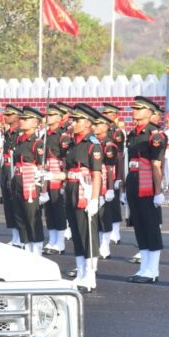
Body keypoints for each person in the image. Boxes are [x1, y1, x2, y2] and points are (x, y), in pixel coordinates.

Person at [124, 96, 167, 283]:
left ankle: (153, 270)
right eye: (134, 108)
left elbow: (157, 165)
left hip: (147, 183)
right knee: (139, 225)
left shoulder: (154, 135)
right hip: (134, 179)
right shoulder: (133, 134)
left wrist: (158, 192)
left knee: (150, 225)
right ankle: (143, 268)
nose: (134, 111)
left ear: (149, 113)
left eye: (139, 109)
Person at [63, 105, 103, 292]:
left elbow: (97, 174)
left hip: (84, 190)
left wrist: (94, 199)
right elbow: (67, 171)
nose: (74, 123)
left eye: (78, 120)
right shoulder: (72, 144)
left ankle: (90, 275)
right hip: (71, 189)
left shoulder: (92, 144)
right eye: (74, 120)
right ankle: (80, 273)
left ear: (87, 123)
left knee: (87, 233)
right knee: (77, 233)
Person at [10, 106, 46, 256]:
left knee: (32, 217)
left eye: (26, 119)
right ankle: (26, 247)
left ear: (36, 123)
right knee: (20, 215)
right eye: (22, 118)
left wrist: (43, 190)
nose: (22, 121)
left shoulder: (37, 143)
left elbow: (41, 166)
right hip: (17, 180)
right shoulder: (19, 140)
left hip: (30, 182)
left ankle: (36, 249)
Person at [42, 104, 71, 254]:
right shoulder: (45, 135)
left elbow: (66, 160)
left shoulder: (63, 136)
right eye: (47, 115)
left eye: (52, 115)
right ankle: (51, 240)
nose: (48, 117)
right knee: (49, 210)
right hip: (46, 176)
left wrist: (63, 182)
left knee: (58, 209)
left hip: (57, 176)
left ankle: (59, 243)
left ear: (60, 118)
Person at [92, 110, 120, 260]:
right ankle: (97, 243)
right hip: (93, 181)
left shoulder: (109, 145)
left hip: (104, 182)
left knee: (105, 216)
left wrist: (109, 188)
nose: (95, 126)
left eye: (98, 124)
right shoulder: (93, 141)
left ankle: (105, 244)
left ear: (106, 126)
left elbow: (110, 168)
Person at [100, 103, 126, 245]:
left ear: (114, 116)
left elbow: (120, 156)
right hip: (104, 169)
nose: (106, 116)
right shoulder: (101, 132)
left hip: (113, 169)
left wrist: (119, 177)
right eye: (105, 113)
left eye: (109, 114)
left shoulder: (117, 133)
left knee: (114, 202)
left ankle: (115, 231)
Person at [0, 105, 23, 246]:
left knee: (16, 204)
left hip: (15, 170)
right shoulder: (8, 133)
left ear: (17, 117)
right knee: (8, 204)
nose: (6, 117)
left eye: (9, 115)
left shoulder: (19, 133)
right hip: (6, 170)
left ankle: (20, 237)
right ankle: (14, 236)